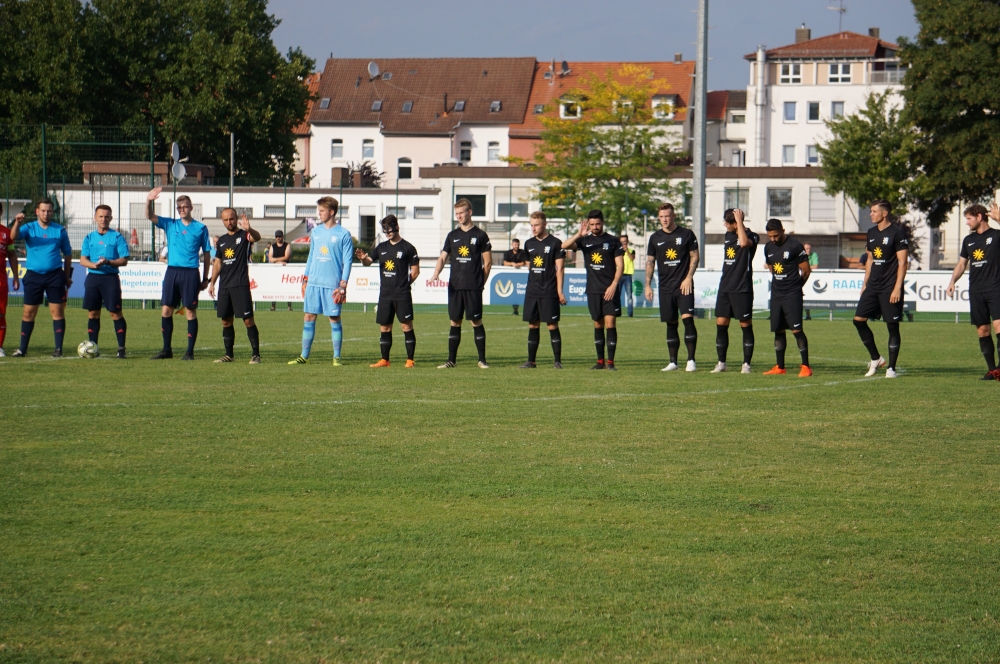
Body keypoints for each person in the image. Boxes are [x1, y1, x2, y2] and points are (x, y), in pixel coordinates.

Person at [145, 188, 212, 360]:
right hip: (172, 272)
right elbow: (149, 216)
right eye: (179, 207)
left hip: (190, 273)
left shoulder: (200, 228)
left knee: (190, 311)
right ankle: (166, 350)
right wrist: (149, 200)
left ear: (191, 208)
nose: (182, 209)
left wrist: (205, 278)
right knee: (166, 310)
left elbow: (206, 254)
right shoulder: (170, 224)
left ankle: (189, 352)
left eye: (185, 206)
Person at [288, 197, 353, 366]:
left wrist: (343, 285)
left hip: (332, 285)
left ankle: (336, 357)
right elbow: (311, 257)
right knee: (308, 316)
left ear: (331, 212)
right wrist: (305, 279)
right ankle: (303, 356)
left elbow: (348, 261)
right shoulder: (316, 232)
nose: (319, 213)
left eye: (322, 211)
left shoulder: (343, 234)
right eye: (319, 210)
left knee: (334, 318)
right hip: (314, 283)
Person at [430, 198, 492, 369]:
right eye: (456, 214)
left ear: (469, 212)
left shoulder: (480, 235)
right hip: (455, 287)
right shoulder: (452, 235)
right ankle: (451, 360)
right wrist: (436, 273)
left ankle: (482, 360)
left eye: (461, 213)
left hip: (473, 287)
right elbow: (443, 257)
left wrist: (480, 282)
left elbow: (487, 263)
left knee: (476, 321)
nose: (459, 216)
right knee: (454, 322)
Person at [8, 199, 73, 357]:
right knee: (28, 313)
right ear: (37, 211)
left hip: (55, 276)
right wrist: (17, 223)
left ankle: (58, 349)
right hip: (33, 276)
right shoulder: (28, 228)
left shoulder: (59, 230)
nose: (46, 213)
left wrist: (66, 276)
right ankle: (22, 349)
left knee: (57, 312)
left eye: (49, 211)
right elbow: (13, 236)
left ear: (52, 212)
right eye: (43, 210)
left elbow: (68, 254)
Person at [853, 199, 908, 379]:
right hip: (873, 286)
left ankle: (891, 368)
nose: (871, 214)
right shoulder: (871, 232)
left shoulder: (897, 232)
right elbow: (870, 259)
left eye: (874, 211)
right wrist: (864, 284)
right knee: (858, 320)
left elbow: (903, 262)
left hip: (890, 287)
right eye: (870, 211)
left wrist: (897, 288)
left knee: (892, 326)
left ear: (884, 213)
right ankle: (876, 358)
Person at [563, 210, 624, 370]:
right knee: (598, 323)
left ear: (602, 223)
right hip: (593, 289)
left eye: (597, 224)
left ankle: (611, 363)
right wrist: (579, 234)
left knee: (610, 323)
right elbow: (563, 246)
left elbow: (620, 265)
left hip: (610, 289)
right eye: (592, 224)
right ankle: (600, 362)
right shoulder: (585, 240)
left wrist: (614, 285)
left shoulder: (613, 241)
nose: (595, 227)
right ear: (588, 224)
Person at [356, 215, 419, 368]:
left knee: (406, 326)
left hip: (402, 294)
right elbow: (368, 263)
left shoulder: (408, 248)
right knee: (385, 327)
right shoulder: (381, 248)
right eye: (385, 230)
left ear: (397, 227)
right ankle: (385, 360)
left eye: (389, 230)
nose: (387, 233)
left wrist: (404, 285)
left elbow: (415, 272)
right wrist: (363, 258)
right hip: (385, 295)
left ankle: (410, 360)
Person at [946, 203, 1000, 380]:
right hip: (976, 291)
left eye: (969, 218)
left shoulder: (996, 235)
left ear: (979, 217)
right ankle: (992, 370)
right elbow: (962, 264)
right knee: (983, 331)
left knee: (999, 327)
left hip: (996, 288)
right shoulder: (968, 240)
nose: (967, 223)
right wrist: (953, 280)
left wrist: (998, 218)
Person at [645, 202, 700, 372]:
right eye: (661, 217)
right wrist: (647, 284)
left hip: (683, 286)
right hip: (665, 287)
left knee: (687, 319)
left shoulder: (686, 234)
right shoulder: (655, 238)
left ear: (674, 216)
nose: (664, 219)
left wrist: (689, 278)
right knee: (671, 323)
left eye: (667, 216)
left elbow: (695, 257)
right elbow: (650, 261)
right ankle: (673, 362)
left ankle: (691, 360)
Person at [208, 209, 262, 363]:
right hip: (224, 286)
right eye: (226, 220)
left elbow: (257, 238)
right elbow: (218, 262)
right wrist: (212, 282)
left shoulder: (244, 235)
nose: (229, 222)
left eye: (231, 219)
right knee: (226, 321)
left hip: (240, 285)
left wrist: (249, 228)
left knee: (248, 320)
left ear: (236, 218)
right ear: (222, 221)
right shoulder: (222, 240)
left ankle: (256, 355)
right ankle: (229, 355)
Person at [762, 219, 812, 377]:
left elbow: (806, 271)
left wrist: (797, 287)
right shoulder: (768, 247)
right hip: (777, 294)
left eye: (776, 235)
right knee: (778, 329)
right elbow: (771, 267)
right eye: (770, 236)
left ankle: (806, 367)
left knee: (796, 330)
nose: (773, 239)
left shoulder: (795, 245)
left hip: (792, 294)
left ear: (782, 231)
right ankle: (780, 367)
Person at [79, 205, 130, 358]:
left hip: (110, 279)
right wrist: (93, 265)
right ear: (95, 218)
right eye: (101, 216)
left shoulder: (117, 237)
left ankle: (121, 348)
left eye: (107, 216)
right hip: (93, 278)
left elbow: (124, 260)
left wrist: (108, 262)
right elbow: (83, 260)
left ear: (111, 218)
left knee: (115, 313)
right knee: (93, 314)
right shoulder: (89, 237)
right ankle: (93, 347)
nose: (103, 219)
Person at [712, 208, 759, 374]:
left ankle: (746, 364)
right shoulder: (728, 235)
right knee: (721, 324)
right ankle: (721, 363)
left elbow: (745, 244)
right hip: (725, 287)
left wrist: (739, 222)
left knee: (745, 325)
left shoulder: (752, 236)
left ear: (737, 222)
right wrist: (735, 223)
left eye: (728, 222)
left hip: (742, 288)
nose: (725, 225)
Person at [520, 211, 566, 368]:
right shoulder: (528, 244)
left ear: (545, 224)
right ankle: (531, 361)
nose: (533, 228)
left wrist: (559, 291)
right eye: (531, 225)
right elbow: (529, 265)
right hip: (532, 291)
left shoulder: (555, 243)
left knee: (552, 325)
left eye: (536, 225)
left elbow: (560, 269)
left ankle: (557, 361)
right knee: (533, 325)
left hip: (549, 291)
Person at [0, 203, 20, 357]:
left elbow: (12, 255)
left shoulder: (7, 233)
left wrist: (15, 276)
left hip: (0, 280)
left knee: (1, 313)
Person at [268, 230, 293, 311]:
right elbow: (270, 259)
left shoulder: (287, 245)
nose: (278, 238)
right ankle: (273, 305)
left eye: (279, 236)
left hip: (285, 271)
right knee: (274, 288)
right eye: (276, 236)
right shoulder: (272, 246)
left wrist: (276, 260)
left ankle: (289, 306)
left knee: (288, 288)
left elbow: (287, 257)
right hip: (275, 271)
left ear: (282, 236)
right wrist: (280, 262)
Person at [502, 238, 528, 315]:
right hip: (510, 275)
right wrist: (512, 264)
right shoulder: (508, 253)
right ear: (512, 245)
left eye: (518, 244)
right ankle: (514, 309)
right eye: (515, 244)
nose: (516, 246)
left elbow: (524, 263)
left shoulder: (522, 252)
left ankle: (518, 309)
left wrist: (517, 265)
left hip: (520, 275)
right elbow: (505, 263)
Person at [619, 234, 636, 317]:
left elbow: (632, 258)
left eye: (625, 241)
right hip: (618, 275)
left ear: (627, 242)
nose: (623, 243)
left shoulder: (631, 251)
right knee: (617, 296)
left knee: (629, 296)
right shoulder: (617, 251)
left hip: (628, 276)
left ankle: (630, 313)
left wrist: (627, 251)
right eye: (622, 242)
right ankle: (616, 312)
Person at [803, 242, 818, 320]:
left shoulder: (814, 255)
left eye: (809, 248)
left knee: (808, 297)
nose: (808, 250)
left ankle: (808, 315)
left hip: (811, 279)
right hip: (801, 278)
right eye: (806, 249)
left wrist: (805, 267)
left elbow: (815, 266)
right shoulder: (800, 255)